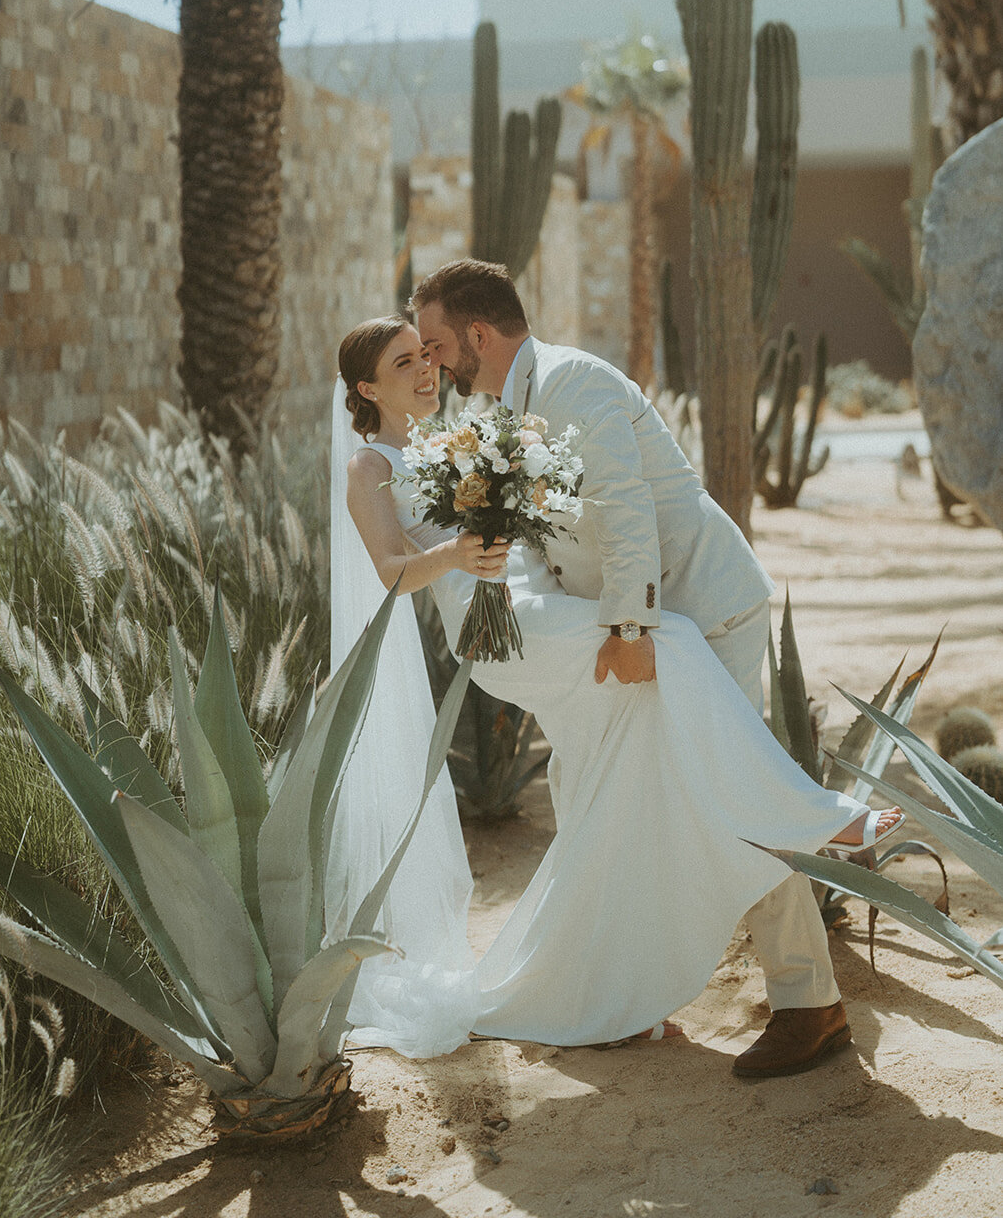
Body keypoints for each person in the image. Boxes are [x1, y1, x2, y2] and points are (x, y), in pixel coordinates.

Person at [330, 294, 903, 1073]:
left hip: (628, 601)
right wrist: (468, 553)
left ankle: (614, 1000)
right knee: (674, 662)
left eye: (427, 350)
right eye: (407, 359)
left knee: (608, 796)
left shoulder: (538, 397)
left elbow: (619, 504)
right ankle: (818, 829)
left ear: (471, 335)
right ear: (366, 390)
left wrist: (520, 529)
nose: (428, 366)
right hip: (516, 625)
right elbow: (397, 571)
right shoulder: (383, 459)